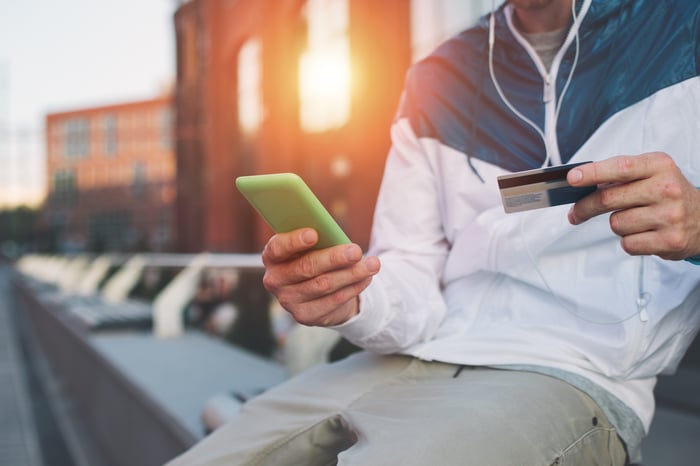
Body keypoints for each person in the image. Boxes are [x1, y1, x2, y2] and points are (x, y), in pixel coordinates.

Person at [166, 0, 700, 464]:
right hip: (424, 350)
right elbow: (411, 265)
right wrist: (353, 298)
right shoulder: (437, 76)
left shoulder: (684, 26)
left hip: (578, 370)